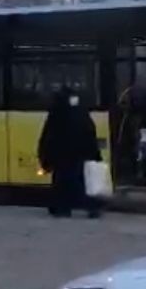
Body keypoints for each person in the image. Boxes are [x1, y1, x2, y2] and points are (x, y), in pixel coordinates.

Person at [38, 85, 102, 218]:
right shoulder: (81, 111)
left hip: (62, 155)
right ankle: (92, 207)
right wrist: (95, 154)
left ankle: (62, 208)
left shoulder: (57, 112)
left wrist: (45, 157)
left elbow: (49, 136)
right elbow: (90, 132)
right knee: (82, 181)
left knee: (62, 182)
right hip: (82, 153)